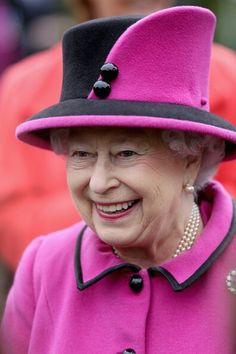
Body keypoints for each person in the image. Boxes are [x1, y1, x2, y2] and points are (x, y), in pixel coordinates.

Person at [1, 6, 236, 353]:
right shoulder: (43, 265)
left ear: (192, 158)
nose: (98, 183)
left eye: (126, 154)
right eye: (82, 155)